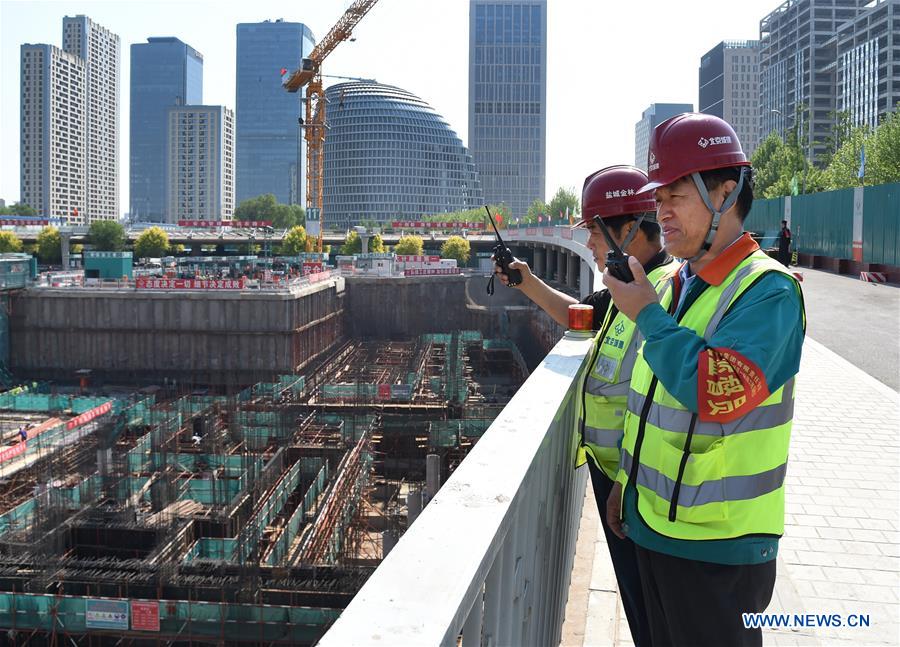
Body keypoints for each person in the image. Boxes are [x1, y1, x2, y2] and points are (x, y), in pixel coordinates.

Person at [603, 113, 806, 647]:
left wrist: (647, 315)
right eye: (658, 197)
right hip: (653, 526)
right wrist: (627, 483)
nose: (661, 211)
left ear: (726, 191)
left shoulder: (769, 293)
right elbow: (645, 402)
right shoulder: (672, 281)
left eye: (676, 195)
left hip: (718, 547)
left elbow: (716, 392)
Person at [495, 165, 679, 647]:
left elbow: (666, 399)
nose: (591, 245)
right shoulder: (623, 288)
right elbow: (576, 314)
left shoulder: (662, 293)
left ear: (631, 231)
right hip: (614, 475)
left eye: (596, 233)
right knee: (642, 609)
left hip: (638, 485)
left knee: (655, 611)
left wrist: (627, 478)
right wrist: (526, 281)